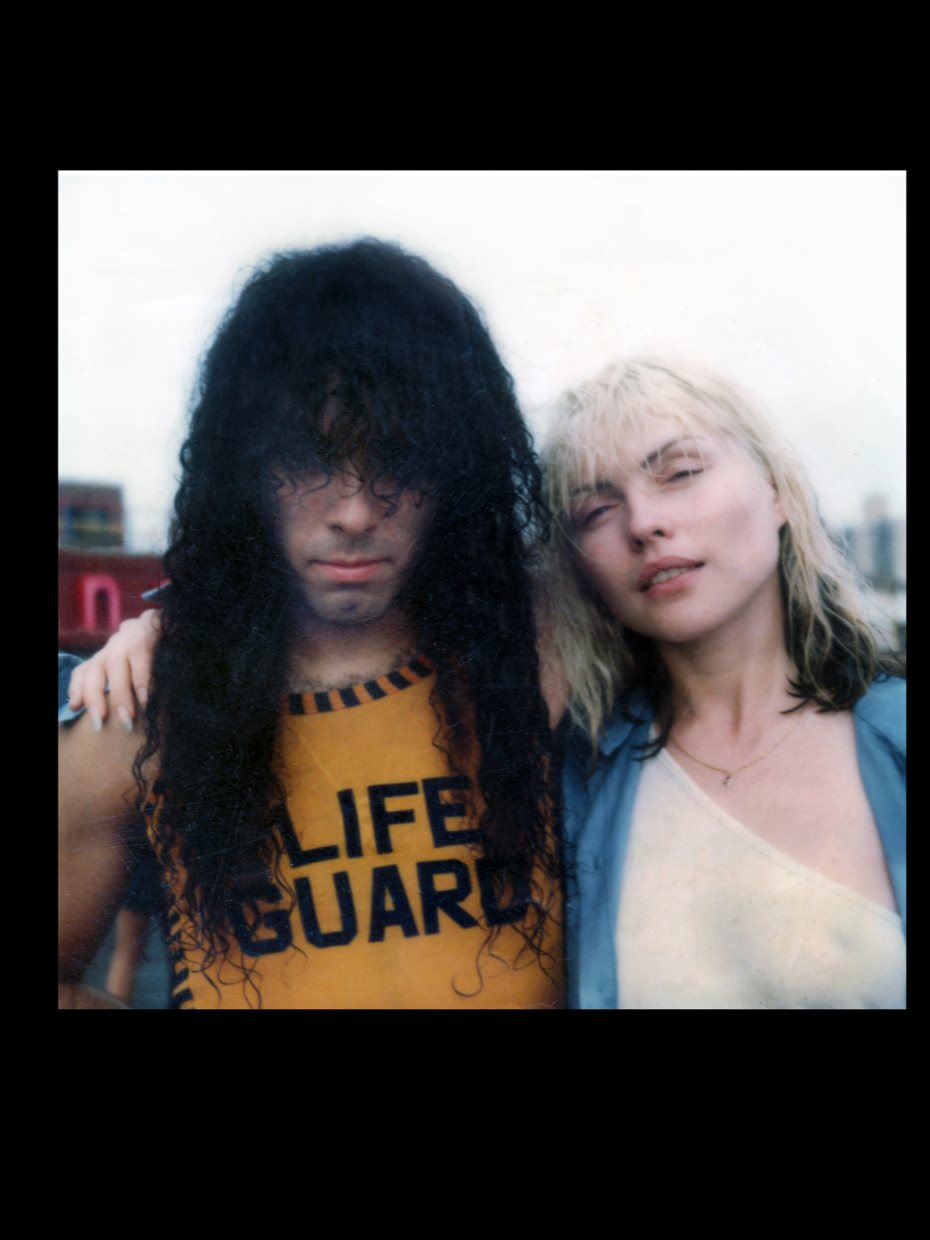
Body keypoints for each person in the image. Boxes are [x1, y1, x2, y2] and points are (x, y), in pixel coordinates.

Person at [59, 239, 563, 1010]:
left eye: (398, 462)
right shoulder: (140, 712)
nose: (356, 513)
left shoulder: (547, 656)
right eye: (310, 458)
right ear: (245, 467)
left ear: (458, 469)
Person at [540, 357, 905, 1009]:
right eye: (596, 510)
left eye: (680, 473)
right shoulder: (574, 783)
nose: (643, 523)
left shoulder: (894, 740)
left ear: (778, 492)